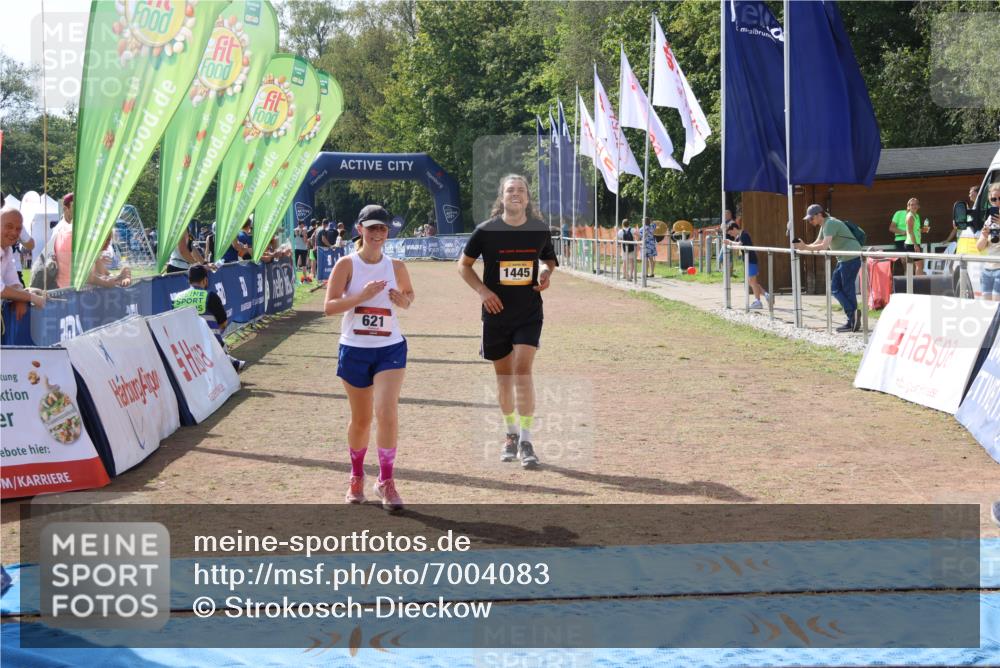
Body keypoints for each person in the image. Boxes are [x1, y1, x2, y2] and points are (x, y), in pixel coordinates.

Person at [458, 174, 557, 469]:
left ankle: (526, 440)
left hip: (528, 312)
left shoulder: (539, 230)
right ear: (501, 197)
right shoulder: (486, 231)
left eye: (521, 190)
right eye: (510, 190)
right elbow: (463, 266)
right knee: (504, 378)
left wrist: (545, 272)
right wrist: (483, 290)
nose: (516, 194)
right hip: (496, 314)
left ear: (527, 198)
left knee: (523, 371)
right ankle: (510, 433)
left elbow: (548, 260)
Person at [324, 204, 414, 510]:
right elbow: (329, 306)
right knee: (361, 420)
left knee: (386, 412)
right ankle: (357, 475)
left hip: (390, 347)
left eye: (383, 229)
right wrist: (360, 297)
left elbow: (409, 296)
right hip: (354, 349)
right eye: (372, 228)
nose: (378, 233)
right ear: (359, 229)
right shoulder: (347, 265)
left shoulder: (397, 266)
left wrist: (404, 300)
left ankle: (386, 481)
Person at [796, 204, 863, 332]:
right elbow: (817, 243)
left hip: (850, 258)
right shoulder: (825, 224)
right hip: (844, 259)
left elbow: (824, 246)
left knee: (846, 289)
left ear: (819, 215)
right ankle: (852, 316)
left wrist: (805, 247)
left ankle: (852, 318)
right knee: (835, 288)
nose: (810, 221)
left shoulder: (830, 223)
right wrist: (802, 246)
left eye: (811, 219)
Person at [172, 265, 246, 372]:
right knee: (218, 339)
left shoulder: (176, 298)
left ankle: (231, 362)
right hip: (208, 343)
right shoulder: (210, 296)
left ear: (189, 280)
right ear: (205, 280)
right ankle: (230, 363)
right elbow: (223, 323)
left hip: (183, 345)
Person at [1, 207, 47, 321]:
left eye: (18, 229)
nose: (14, 232)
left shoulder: (8, 250)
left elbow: (12, 282)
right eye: (9, 226)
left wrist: (22, 296)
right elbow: (1, 289)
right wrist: (32, 297)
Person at [725, 221, 770, 308]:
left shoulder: (744, 234)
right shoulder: (739, 236)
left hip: (751, 260)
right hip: (748, 261)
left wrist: (730, 242)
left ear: (734, 229)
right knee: (752, 282)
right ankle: (766, 295)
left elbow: (740, 244)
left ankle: (759, 301)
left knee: (752, 282)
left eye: (731, 232)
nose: (731, 235)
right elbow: (737, 244)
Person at [975, 183, 1000, 302]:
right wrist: (984, 236)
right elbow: (979, 247)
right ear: (990, 200)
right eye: (994, 199)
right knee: (987, 308)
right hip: (987, 269)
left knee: (997, 306)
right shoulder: (990, 219)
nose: (997, 202)